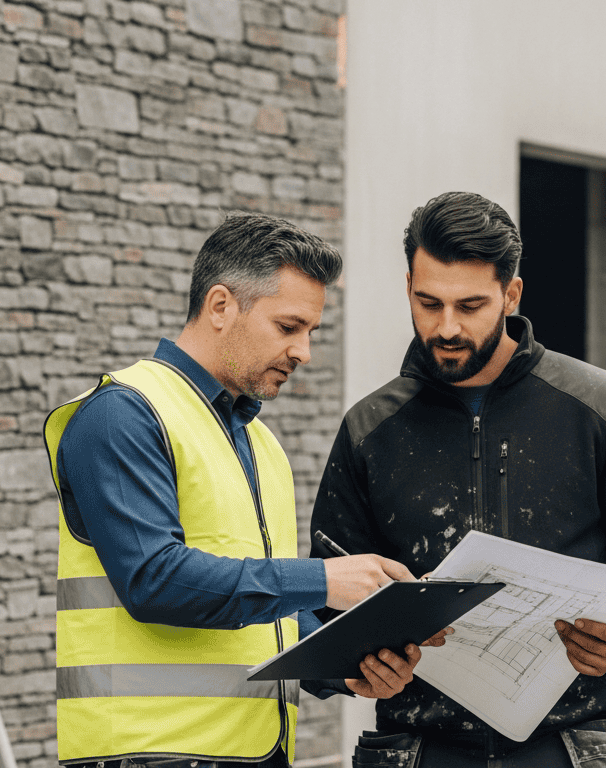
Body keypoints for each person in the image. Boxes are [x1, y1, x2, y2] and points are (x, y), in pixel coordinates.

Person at [311, 191, 606, 767]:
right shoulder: (370, 429)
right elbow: (328, 600)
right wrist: (363, 664)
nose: (446, 327)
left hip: (576, 745)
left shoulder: (598, 406)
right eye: (428, 303)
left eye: (470, 306)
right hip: (420, 749)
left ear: (511, 294)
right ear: (408, 289)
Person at [47, 212, 439, 768]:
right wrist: (326, 580)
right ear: (221, 306)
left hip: (252, 753)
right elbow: (153, 580)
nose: (304, 351)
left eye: (311, 332)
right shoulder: (123, 415)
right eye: (289, 327)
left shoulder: (260, 443)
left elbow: (261, 609)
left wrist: (347, 666)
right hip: (149, 753)